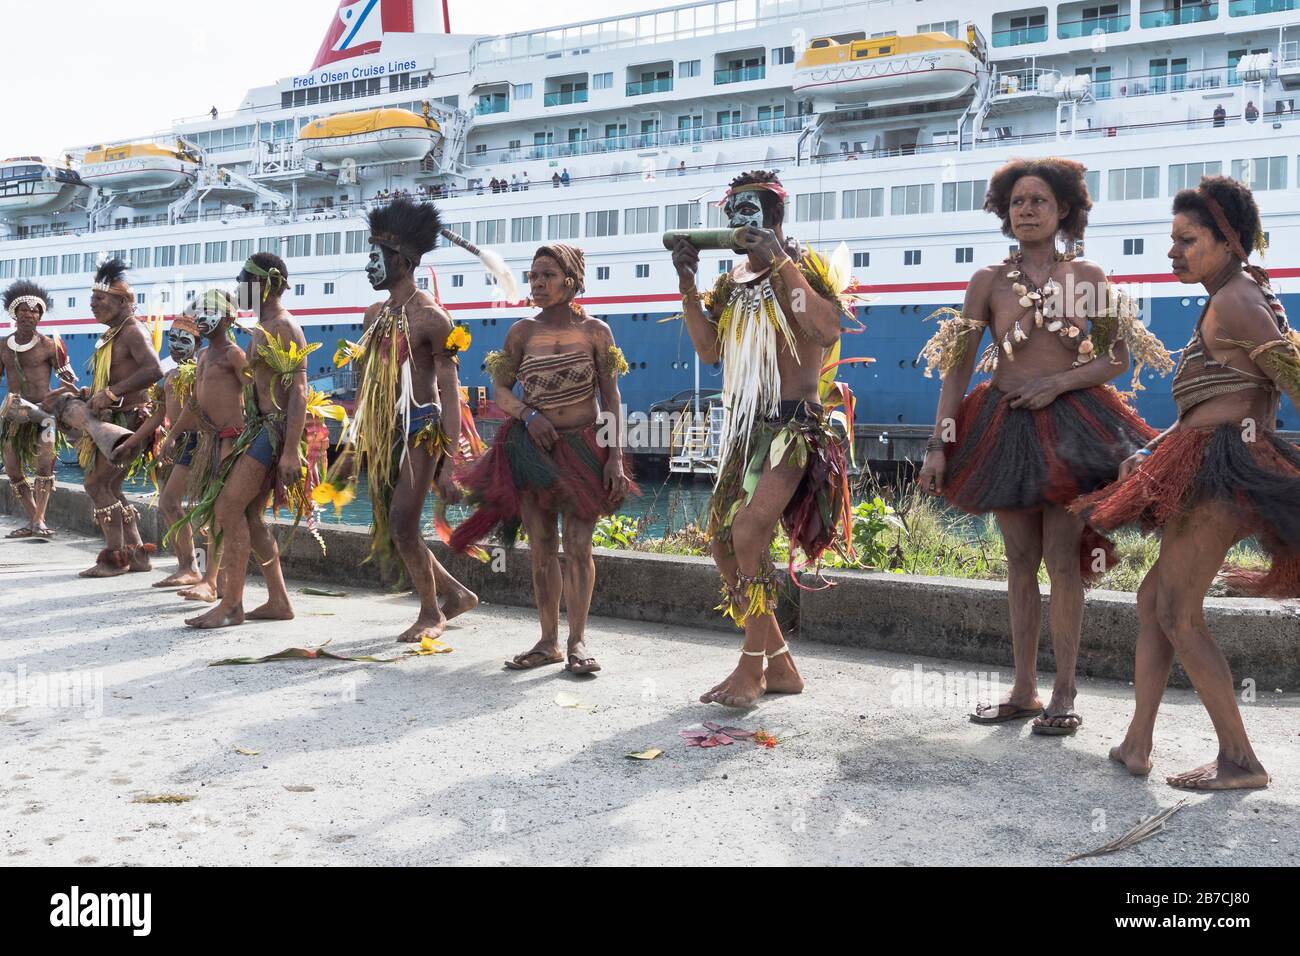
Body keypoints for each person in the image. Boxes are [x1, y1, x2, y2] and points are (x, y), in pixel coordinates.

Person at [917, 158, 1172, 735]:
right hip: (1003, 431)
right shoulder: (985, 282)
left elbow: (1116, 361)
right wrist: (939, 443)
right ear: (1004, 213)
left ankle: (1064, 693)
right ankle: (1024, 689)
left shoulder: (1090, 278)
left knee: (1063, 562)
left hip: (1076, 430)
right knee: (1018, 564)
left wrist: (1055, 383)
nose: (1027, 210)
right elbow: (956, 372)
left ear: (1064, 211)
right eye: (1017, 202)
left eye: (1039, 201)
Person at [1075, 176, 1300, 790]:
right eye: (1171, 239)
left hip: (1222, 471)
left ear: (1228, 241)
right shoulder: (1233, 293)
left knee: (1176, 609)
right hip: (1203, 455)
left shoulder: (1236, 300)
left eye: (1187, 239)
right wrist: (1152, 448)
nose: (1173, 252)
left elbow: (1287, 379)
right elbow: (1217, 396)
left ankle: (1241, 760)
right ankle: (1138, 743)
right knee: (1154, 602)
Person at [672, 171, 855, 707]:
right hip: (746, 428)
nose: (739, 222)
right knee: (723, 541)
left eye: (751, 213)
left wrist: (778, 262)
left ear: (775, 219)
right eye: (734, 213)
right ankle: (780, 666)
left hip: (794, 428)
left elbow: (825, 330)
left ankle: (750, 668)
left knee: (750, 529)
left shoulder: (808, 271)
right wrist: (688, 283)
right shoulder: (730, 284)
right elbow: (709, 352)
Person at [451, 243, 634, 674]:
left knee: (579, 545)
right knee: (542, 550)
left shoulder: (597, 332)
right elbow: (499, 391)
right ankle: (548, 641)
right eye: (533, 276)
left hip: (586, 450)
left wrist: (615, 458)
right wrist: (528, 414)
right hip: (531, 451)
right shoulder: (520, 333)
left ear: (570, 280)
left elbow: (611, 398)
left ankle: (578, 641)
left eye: (547, 275)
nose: (537, 283)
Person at [318, 198, 479, 642]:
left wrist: (449, 463)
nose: (368, 267)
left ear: (403, 262)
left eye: (376, 258)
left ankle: (431, 613)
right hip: (384, 430)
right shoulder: (374, 316)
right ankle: (456, 594)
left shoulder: (433, 319)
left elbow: (449, 392)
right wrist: (352, 448)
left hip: (421, 428)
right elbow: (368, 389)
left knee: (404, 523)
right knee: (398, 524)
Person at [181, 258, 322, 629]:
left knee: (228, 507)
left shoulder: (283, 325)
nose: (238, 286)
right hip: (260, 428)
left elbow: (299, 391)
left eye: (243, 281)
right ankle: (278, 600)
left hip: (272, 431)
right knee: (249, 515)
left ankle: (231, 606)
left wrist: (291, 449)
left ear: (267, 285)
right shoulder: (263, 326)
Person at [74, 259, 164, 577]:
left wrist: (110, 394)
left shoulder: (132, 331)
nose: (93, 305)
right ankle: (138, 556)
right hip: (117, 421)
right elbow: (121, 376)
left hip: (127, 424)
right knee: (111, 486)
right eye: (92, 299)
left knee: (96, 484)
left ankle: (115, 559)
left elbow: (154, 371)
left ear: (123, 302)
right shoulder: (116, 333)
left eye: (100, 299)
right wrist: (95, 391)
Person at [112, 311, 207, 588]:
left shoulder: (200, 373)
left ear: (198, 344)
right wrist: (129, 442)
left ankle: (196, 569)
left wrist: (172, 436)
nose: (176, 345)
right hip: (176, 443)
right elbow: (158, 415)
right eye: (172, 338)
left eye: (184, 340)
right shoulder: (170, 375)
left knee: (177, 503)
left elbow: (196, 408)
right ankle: (188, 566)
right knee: (169, 503)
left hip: (197, 441)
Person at [1, 281, 76, 539]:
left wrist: (51, 397)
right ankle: (34, 520)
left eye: (35, 311)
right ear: (14, 314)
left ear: (40, 316)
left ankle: (38, 521)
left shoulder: (49, 345)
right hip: (14, 415)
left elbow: (70, 385)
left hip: (44, 416)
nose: (30, 314)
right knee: (12, 470)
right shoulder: (2, 345)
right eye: (24, 310)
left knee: (44, 468)